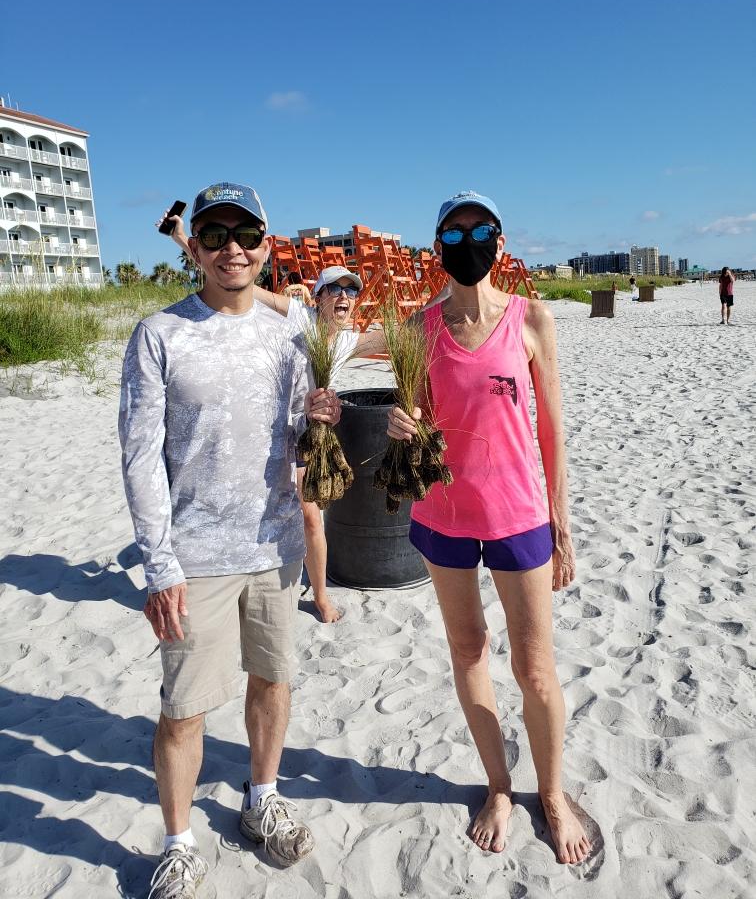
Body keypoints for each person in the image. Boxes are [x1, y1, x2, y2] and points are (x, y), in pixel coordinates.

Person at [123, 182, 342, 898]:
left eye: (245, 233)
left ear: (266, 246)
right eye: (214, 235)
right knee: (184, 709)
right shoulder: (160, 334)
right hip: (194, 556)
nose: (232, 248)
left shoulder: (291, 335)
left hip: (275, 547)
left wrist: (319, 419)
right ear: (195, 249)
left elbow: (295, 439)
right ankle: (180, 844)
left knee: (273, 682)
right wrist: (160, 566)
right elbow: (139, 458)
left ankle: (261, 796)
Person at [387, 191, 591, 865]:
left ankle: (553, 794)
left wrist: (562, 524)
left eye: (480, 229)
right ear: (438, 245)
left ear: (500, 243)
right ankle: (500, 788)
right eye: (454, 230)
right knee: (468, 650)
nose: (467, 240)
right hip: (444, 515)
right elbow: (415, 421)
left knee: (535, 670)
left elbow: (551, 426)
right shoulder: (418, 330)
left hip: (519, 514)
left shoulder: (532, 318)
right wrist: (404, 427)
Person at [165, 219, 385, 623]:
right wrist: (184, 238)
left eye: (351, 289)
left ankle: (319, 595)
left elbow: (401, 337)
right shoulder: (299, 317)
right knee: (298, 513)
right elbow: (245, 286)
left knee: (311, 516)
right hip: (271, 430)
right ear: (317, 297)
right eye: (334, 288)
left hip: (312, 432)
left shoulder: (348, 340)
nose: (343, 295)